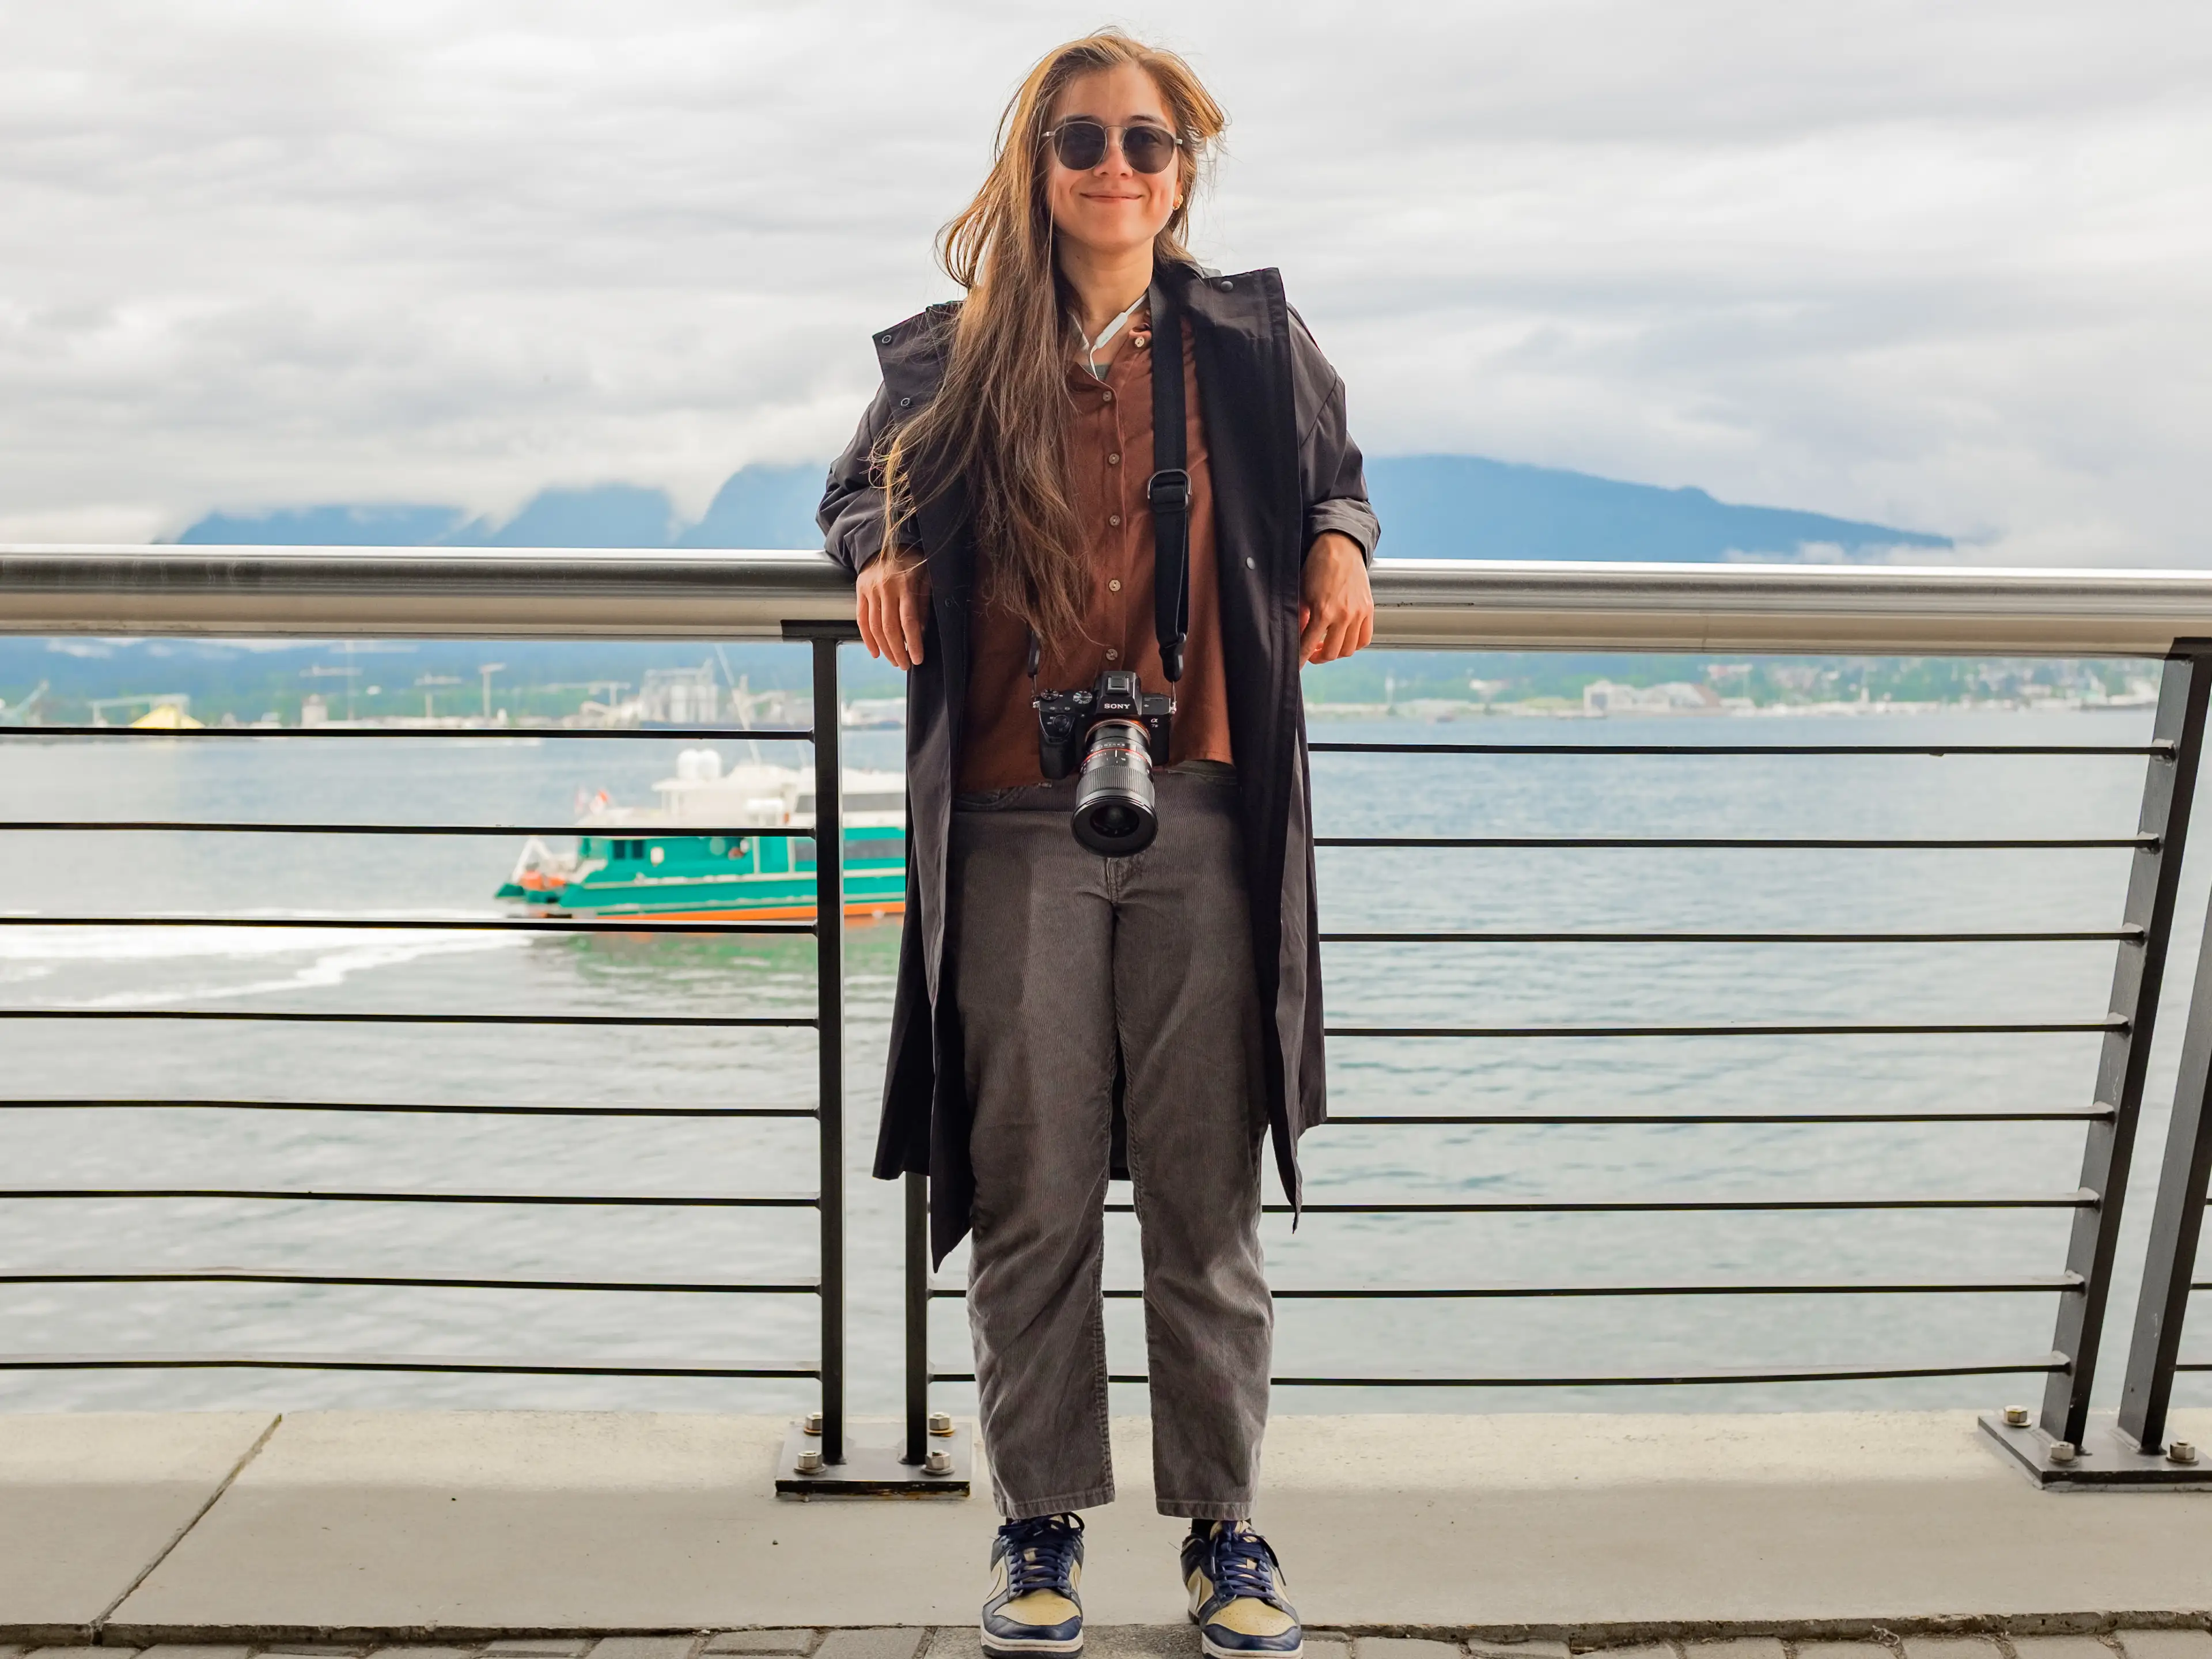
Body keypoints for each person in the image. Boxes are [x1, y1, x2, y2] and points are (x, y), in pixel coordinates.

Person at [820, 29, 1377, 1658]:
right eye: (1083, 141)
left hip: (1204, 807)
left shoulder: (1253, 344)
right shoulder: (950, 359)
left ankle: (1227, 1532)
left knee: (1206, 1207)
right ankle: (1038, 1525)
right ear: (1037, 165)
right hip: (1010, 820)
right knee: (1034, 1196)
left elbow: (1338, 481)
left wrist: (1339, 544)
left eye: (1149, 140)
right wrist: (880, 552)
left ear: (1186, 167)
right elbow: (857, 494)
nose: (1117, 166)